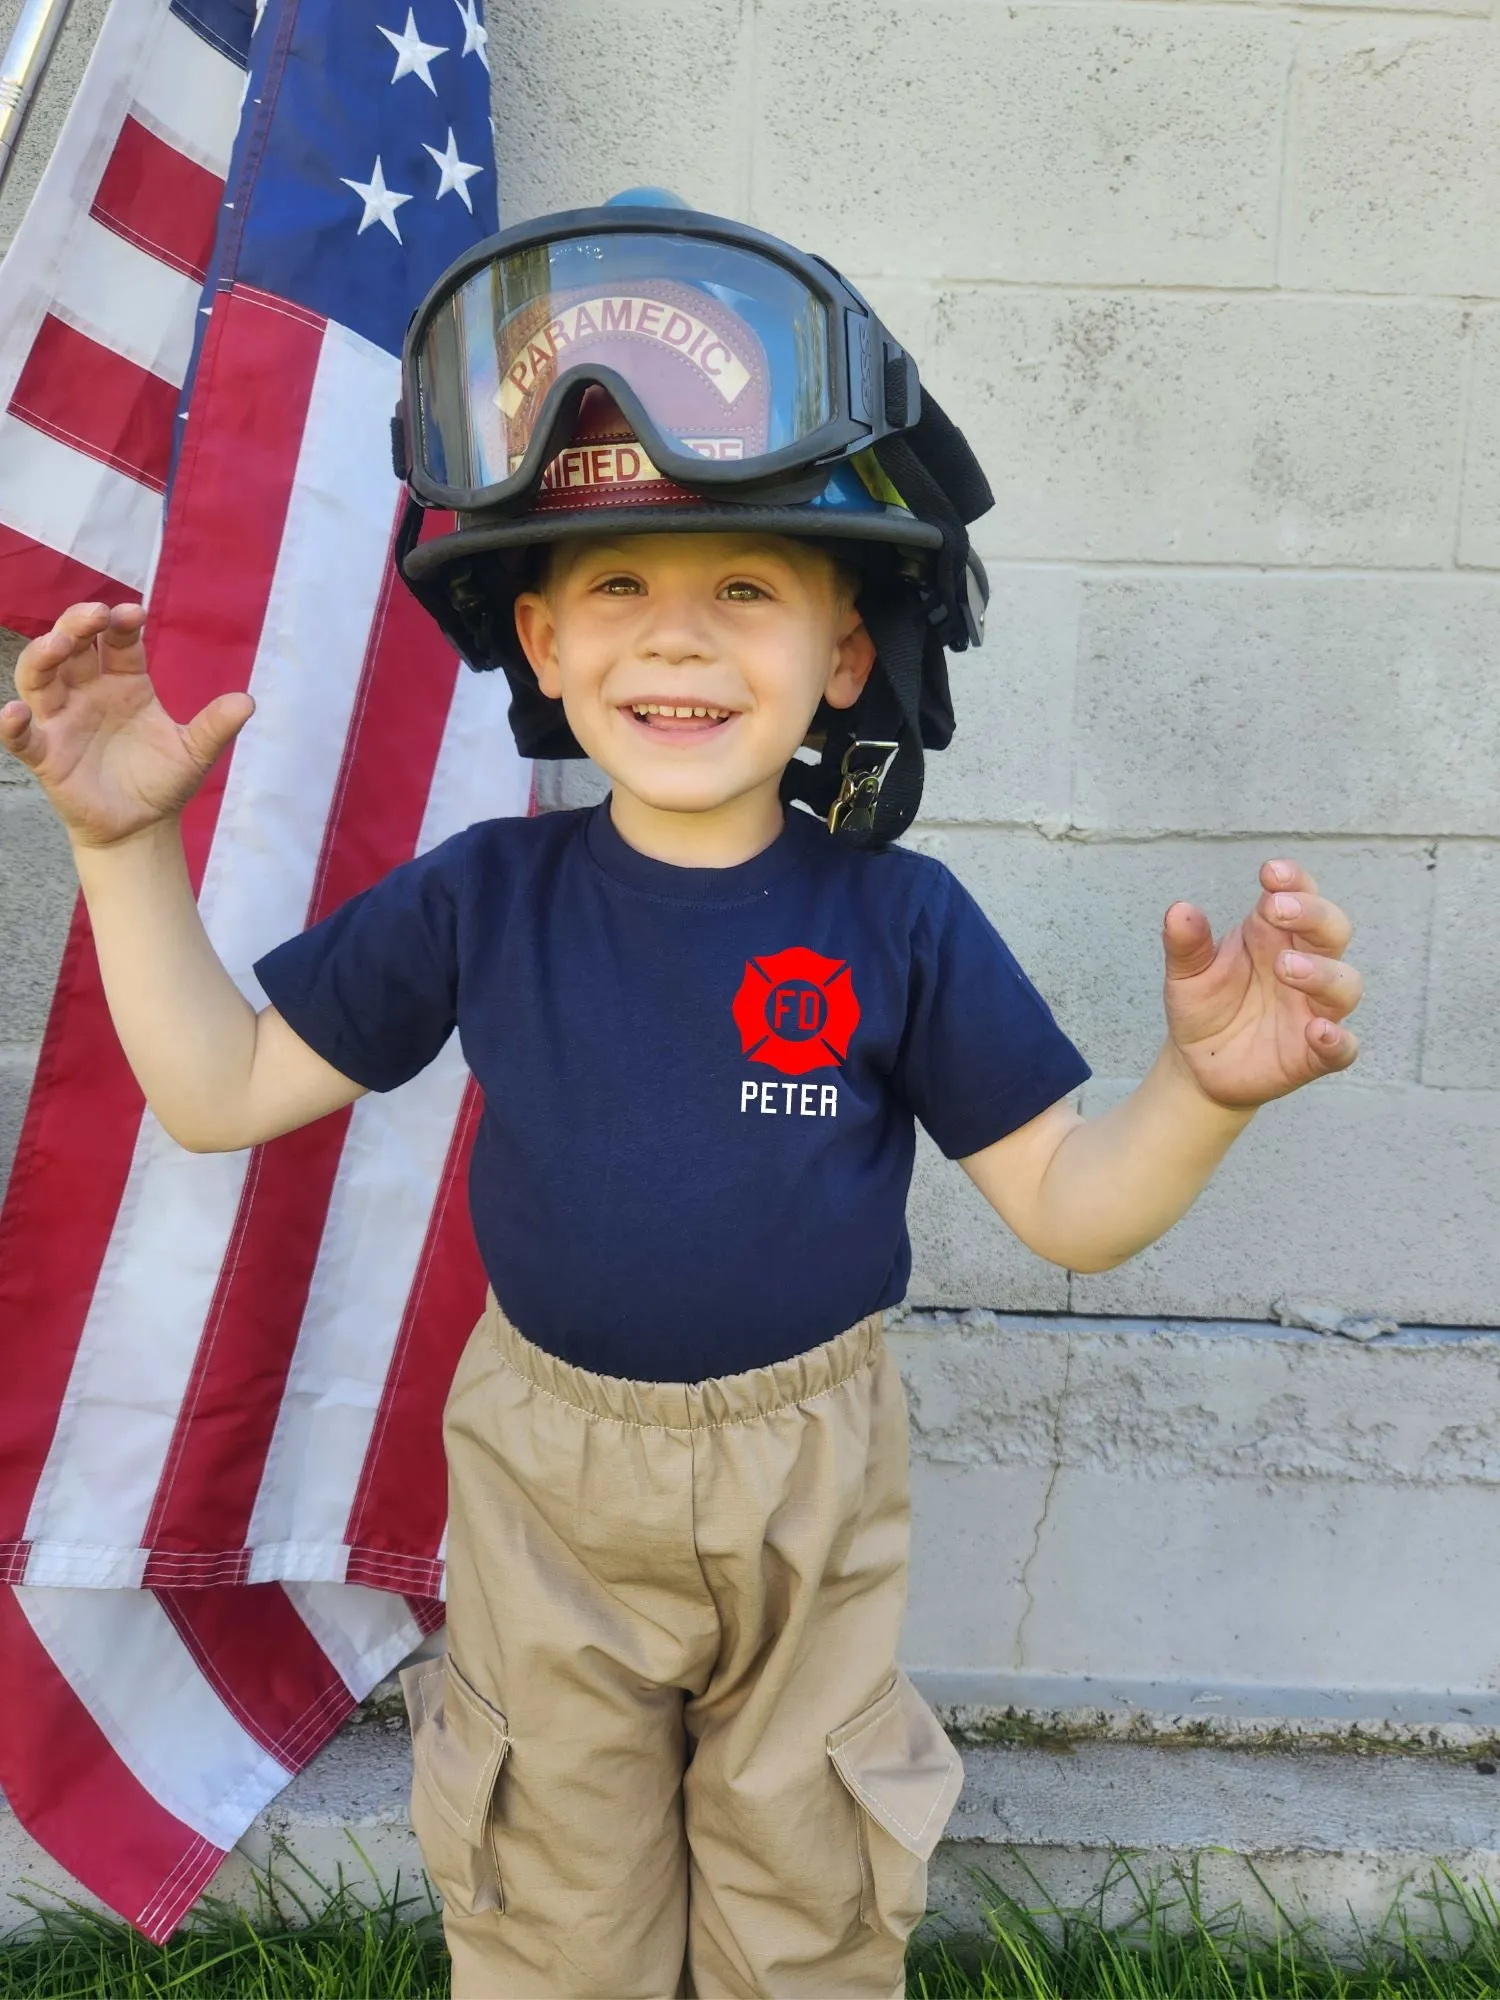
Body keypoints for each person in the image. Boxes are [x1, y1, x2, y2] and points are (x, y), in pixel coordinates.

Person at [0, 196, 1363, 2000]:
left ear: (843, 656)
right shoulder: (485, 898)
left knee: (808, 1885)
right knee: (552, 1881)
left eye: (743, 589)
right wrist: (124, 850)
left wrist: (1205, 1090)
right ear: (543, 647)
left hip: (813, 1464)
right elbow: (218, 1088)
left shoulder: (902, 922)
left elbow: (1070, 1204)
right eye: (620, 590)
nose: (678, 641)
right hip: (546, 1473)